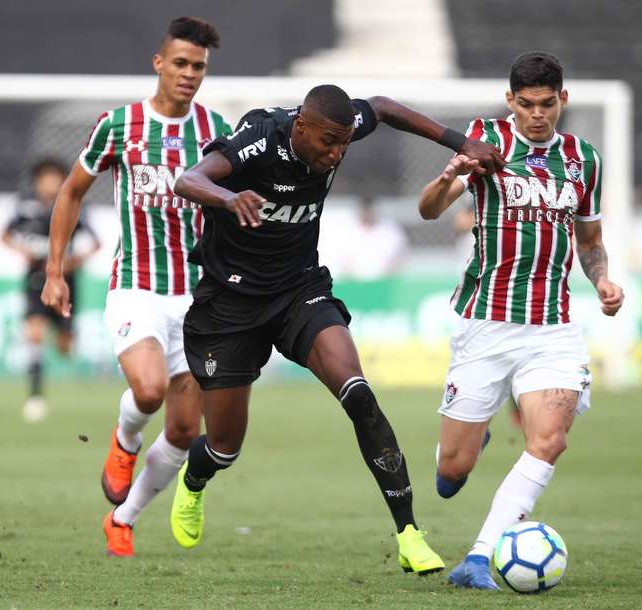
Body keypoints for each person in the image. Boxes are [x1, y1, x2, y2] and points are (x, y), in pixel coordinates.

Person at [169, 83, 504, 573]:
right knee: (223, 446)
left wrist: (460, 142)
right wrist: (227, 197)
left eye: (344, 143)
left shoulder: (337, 129)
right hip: (229, 304)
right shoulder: (258, 142)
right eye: (328, 141)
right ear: (301, 126)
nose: (336, 153)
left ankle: (410, 534)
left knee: (359, 393)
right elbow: (188, 179)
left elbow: (386, 107)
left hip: (298, 290)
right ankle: (194, 481)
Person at [417, 51, 625, 589]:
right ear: (510, 101)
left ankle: (480, 556)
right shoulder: (485, 140)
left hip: (553, 328)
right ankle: (464, 446)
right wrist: (451, 172)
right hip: (484, 324)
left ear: (563, 100)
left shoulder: (584, 160)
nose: (538, 115)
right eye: (527, 104)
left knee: (550, 439)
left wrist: (601, 279)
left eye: (548, 104)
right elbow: (429, 209)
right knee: (451, 472)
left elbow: (591, 242)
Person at [40, 17, 233, 557]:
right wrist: (55, 271)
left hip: (198, 298)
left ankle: (123, 518)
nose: (189, 74)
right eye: (180, 63)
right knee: (148, 391)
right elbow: (72, 193)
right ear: (158, 63)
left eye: (198, 67)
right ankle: (124, 440)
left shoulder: (217, 131)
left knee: (184, 428)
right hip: (137, 287)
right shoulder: (119, 125)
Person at [2, 158, 100, 423]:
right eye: (45, 178)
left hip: (66, 282)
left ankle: (69, 333)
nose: (51, 183)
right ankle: (35, 396)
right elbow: (6, 236)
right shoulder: (26, 208)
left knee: (64, 348)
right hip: (36, 279)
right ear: (36, 181)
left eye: (56, 178)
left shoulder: (73, 206)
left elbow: (95, 243)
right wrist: (24, 251)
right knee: (34, 333)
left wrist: (73, 262)